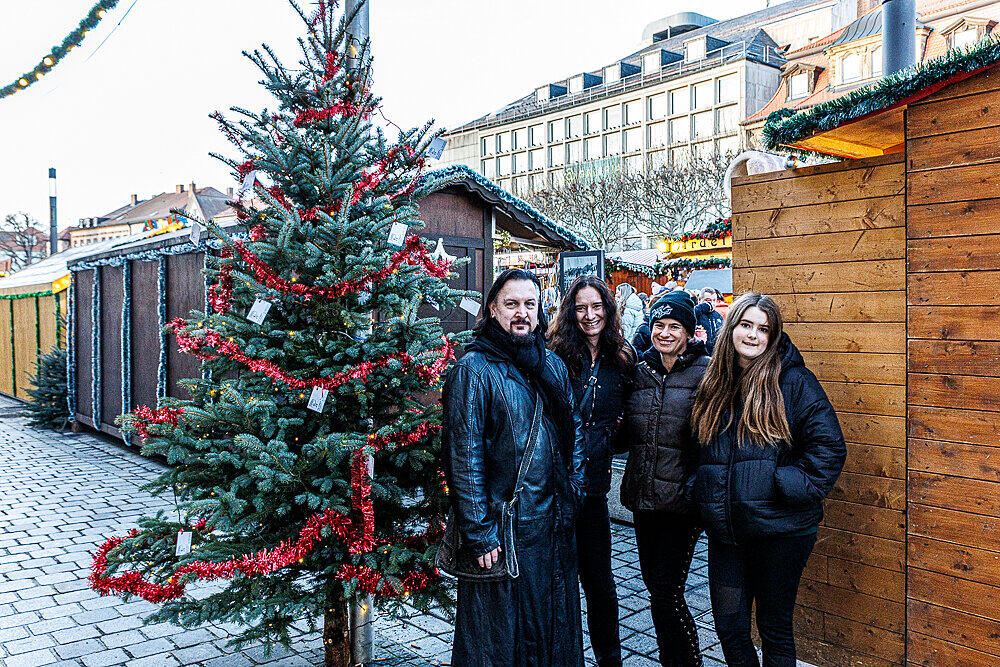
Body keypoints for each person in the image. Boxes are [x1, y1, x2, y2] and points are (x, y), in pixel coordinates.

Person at [690, 292, 846, 667]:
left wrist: (782, 485)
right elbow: (699, 448)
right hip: (729, 531)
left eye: (763, 329)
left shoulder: (793, 381)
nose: (753, 335)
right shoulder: (715, 381)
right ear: (731, 328)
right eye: (746, 325)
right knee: (730, 629)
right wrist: (702, 490)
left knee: (774, 629)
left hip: (781, 531)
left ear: (772, 336)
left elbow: (830, 447)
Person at [442, 268, 587, 667]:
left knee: (554, 631)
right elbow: (463, 455)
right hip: (506, 530)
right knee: (501, 641)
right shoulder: (474, 369)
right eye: (512, 304)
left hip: (554, 524)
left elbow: (573, 428)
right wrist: (479, 532)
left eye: (530, 304)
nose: (522, 312)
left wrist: (575, 485)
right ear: (492, 308)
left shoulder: (551, 363)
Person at [615, 290, 710, 666]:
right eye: (659, 325)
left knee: (667, 592)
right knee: (656, 589)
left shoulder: (706, 373)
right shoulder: (639, 371)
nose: (665, 333)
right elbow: (625, 436)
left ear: (688, 332)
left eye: (674, 326)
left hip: (681, 505)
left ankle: (686, 662)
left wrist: (697, 489)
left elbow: (713, 440)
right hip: (644, 498)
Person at [548, 276, 636, 667]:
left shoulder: (622, 356)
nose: (589, 315)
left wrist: (613, 437)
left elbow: (631, 414)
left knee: (600, 581)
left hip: (596, 488)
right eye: (581, 307)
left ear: (608, 309)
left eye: (597, 306)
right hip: (556, 487)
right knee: (558, 580)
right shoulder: (556, 354)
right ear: (571, 311)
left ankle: (609, 658)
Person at [694, 288, 725, 355]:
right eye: (708, 300)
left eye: (714, 300)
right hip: (698, 354)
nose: (712, 303)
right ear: (699, 300)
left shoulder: (718, 317)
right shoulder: (695, 313)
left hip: (715, 354)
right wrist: (700, 308)